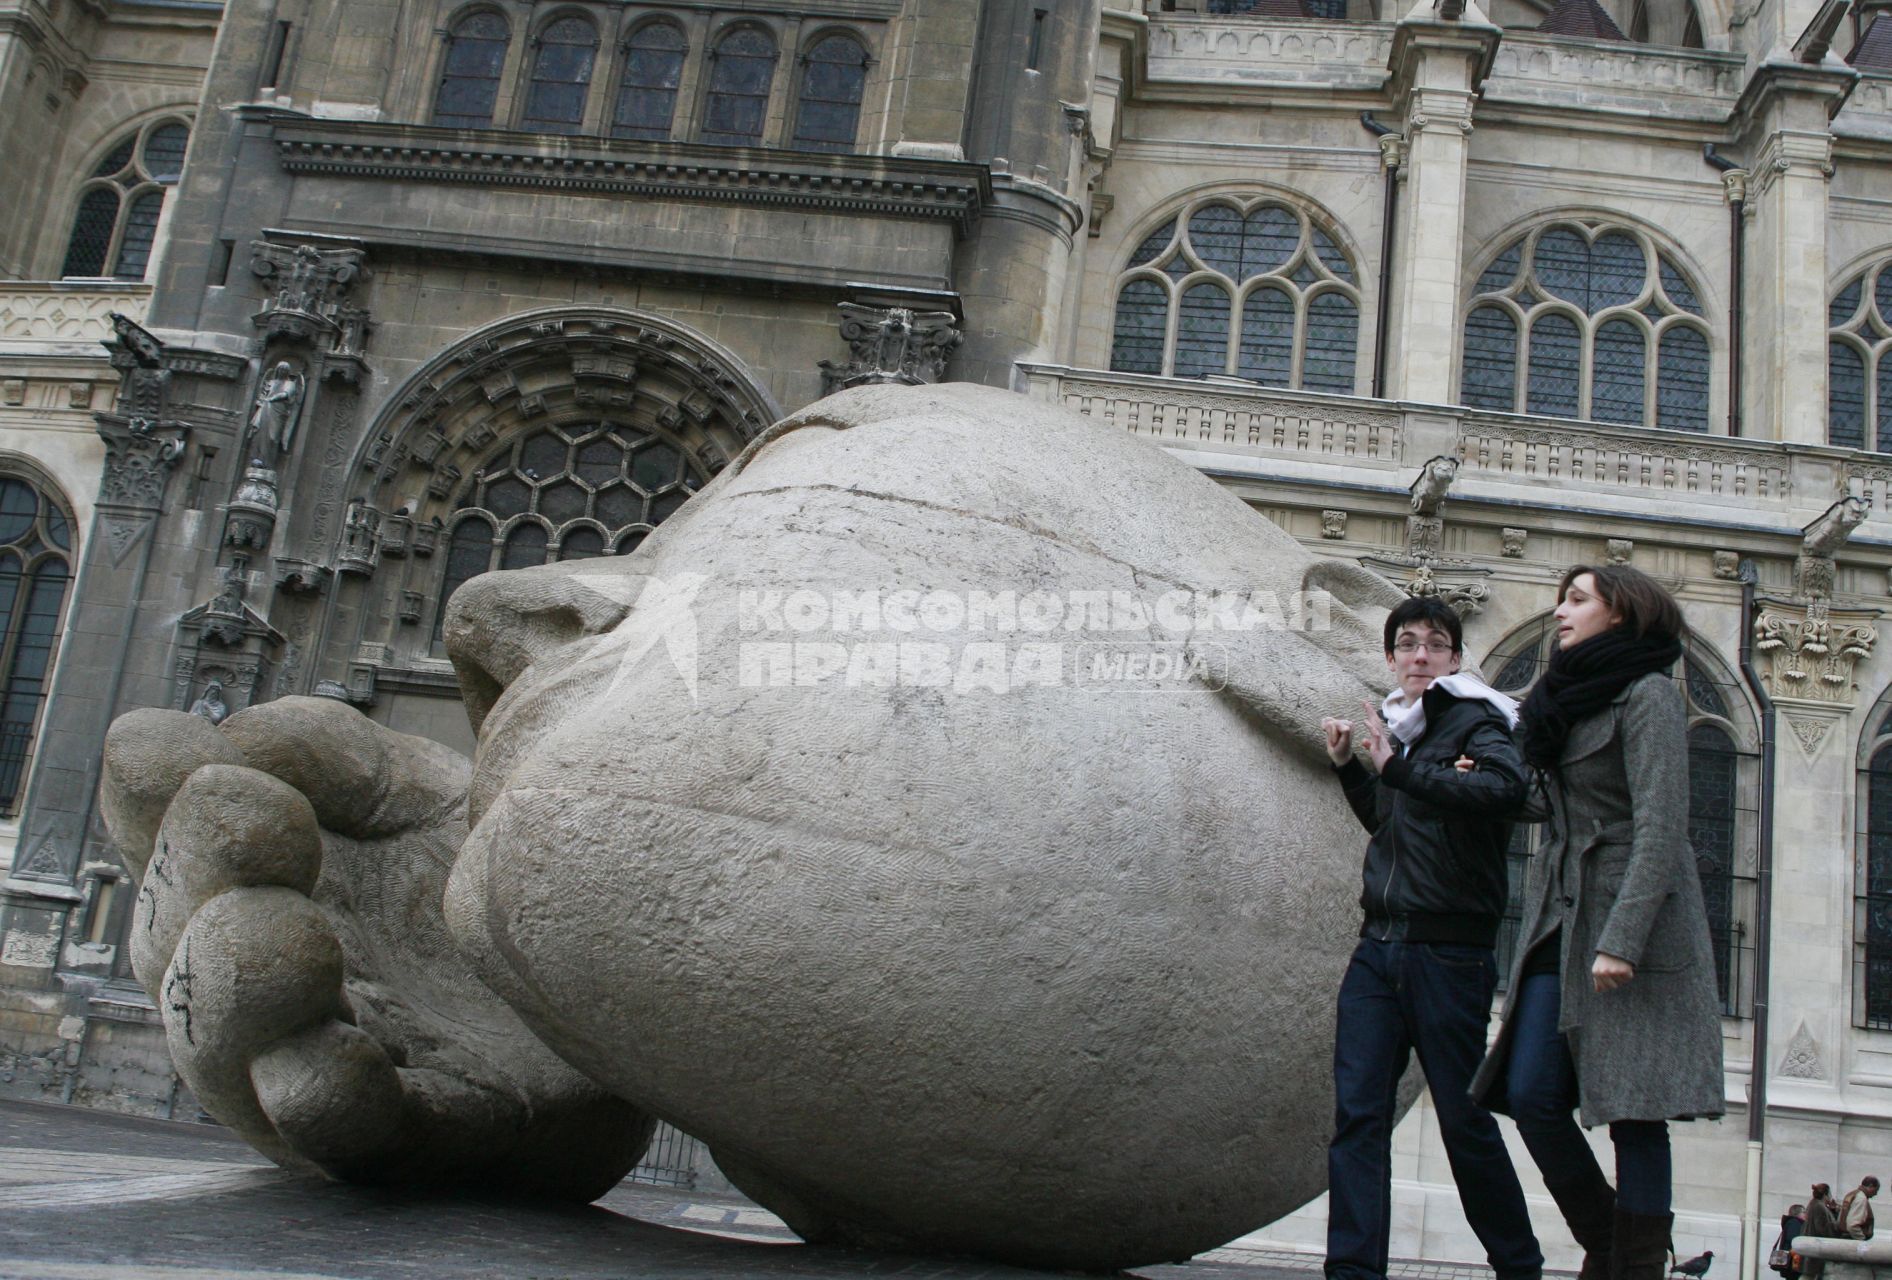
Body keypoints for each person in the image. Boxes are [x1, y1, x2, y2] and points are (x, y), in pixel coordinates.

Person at [1470, 564, 1725, 1280]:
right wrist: (1447, 768)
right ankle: (1612, 1244)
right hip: (1561, 915)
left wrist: (1624, 940)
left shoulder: (1647, 695)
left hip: (1631, 926)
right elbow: (1544, 803)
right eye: (1561, 599)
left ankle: (1635, 1268)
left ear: (1622, 613)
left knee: (1637, 1110)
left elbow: (1662, 824)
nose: (1560, 612)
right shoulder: (1562, 701)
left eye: (1577, 600)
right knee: (1529, 1093)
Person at [1320, 596, 1543, 1280]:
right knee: (1358, 1118)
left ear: (1454, 659)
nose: (1420, 656)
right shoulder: (1397, 725)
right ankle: (1354, 1271)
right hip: (1378, 947)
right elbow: (1396, 829)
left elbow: (1509, 790)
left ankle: (1518, 1264)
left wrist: (1400, 769)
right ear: (1390, 658)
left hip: (1449, 955)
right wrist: (1354, 769)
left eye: (1435, 645)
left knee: (1461, 1123)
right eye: (1408, 644)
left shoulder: (1476, 719)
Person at [1802, 1183, 1842, 1279]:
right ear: (1825, 1194)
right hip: (1815, 1246)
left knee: (1809, 1275)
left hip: (1811, 1244)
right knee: (1809, 1276)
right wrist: (1837, 1226)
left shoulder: (1814, 1204)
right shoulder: (1819, 1206)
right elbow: (1822, 1227)